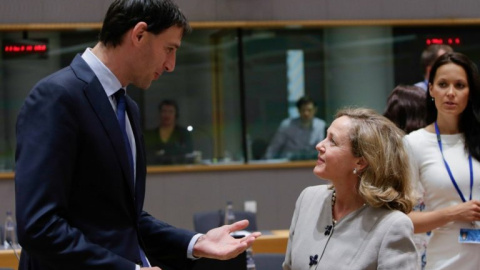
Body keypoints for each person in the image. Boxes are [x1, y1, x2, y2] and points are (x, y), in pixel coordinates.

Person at [14, 1, 260, 270]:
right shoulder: (57, 97)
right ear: (139, 35)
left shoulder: (127, 106)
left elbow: (123, 220)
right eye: (169, 49)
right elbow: (39, 227)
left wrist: (195, 243)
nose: (171, 65)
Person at [283, 107, 418, 270]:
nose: (319, 145)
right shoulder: (308, 199)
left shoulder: (392, 225)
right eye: (325, 137)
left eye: (332, 141)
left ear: (360, 162)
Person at [405, 52, 480, 270]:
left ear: (470, 92)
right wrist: (453, 213)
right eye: (443, 84)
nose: (450, 93)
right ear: (430, 89)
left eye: (459, 85)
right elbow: (403, 220)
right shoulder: (414, 143)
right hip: (445, 261)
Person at [144, 99, 193, 165]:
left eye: (170, 112)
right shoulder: (150, 135)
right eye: (164, 111)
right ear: (159, 113)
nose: (167, 115)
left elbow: (188, 152)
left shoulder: (183, 133)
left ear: (176, 114)